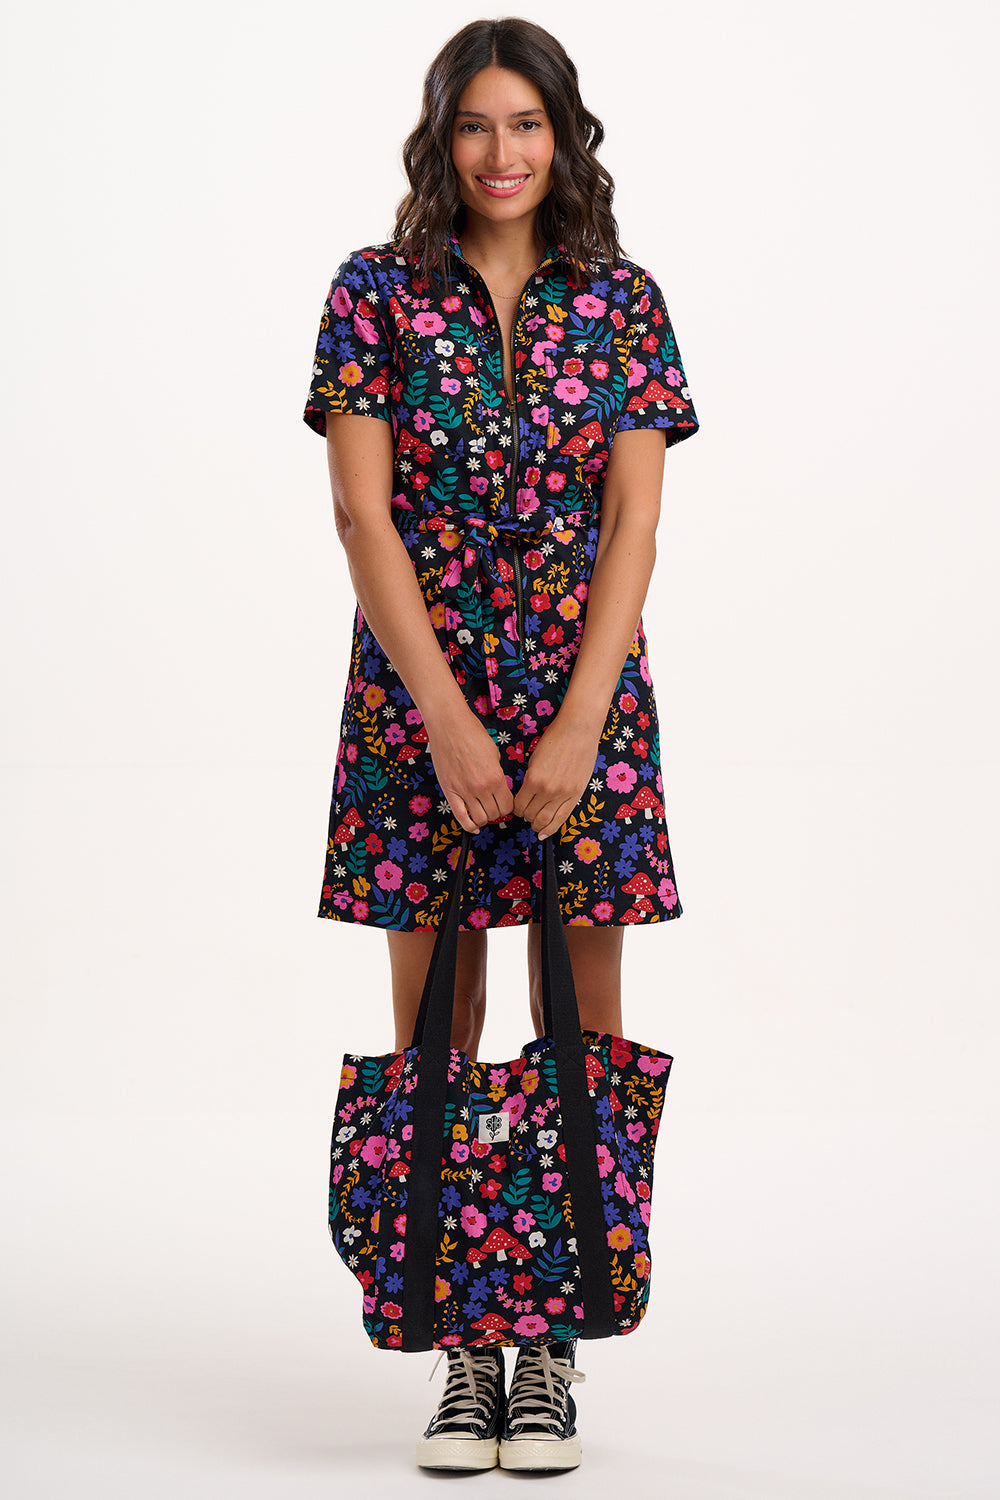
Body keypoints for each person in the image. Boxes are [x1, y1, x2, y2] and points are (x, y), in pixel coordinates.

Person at [303, 16, 699, 1474]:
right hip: (422, 709)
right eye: (475, 125)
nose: (502, 153)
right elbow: (364, 518)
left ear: (565, 135)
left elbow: (634, 524)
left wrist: (582, 718)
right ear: (439, 138)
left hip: (588, 703)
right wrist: (450, 721)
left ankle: (555, 1357)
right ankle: (465, 1357)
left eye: (527, 123)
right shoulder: (376, 295)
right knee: (442, 1029)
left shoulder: (625, 301)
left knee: (582, 1034)